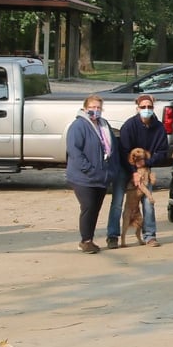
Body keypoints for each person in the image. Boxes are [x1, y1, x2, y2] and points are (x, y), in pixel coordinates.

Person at [120, 94, 173, 247]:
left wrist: (146, 163)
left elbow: (162, 152)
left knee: (148, 203)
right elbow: (124, 151)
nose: (146, 109)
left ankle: (150, 236)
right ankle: (114, 236)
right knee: (118, 203)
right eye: (143, 107)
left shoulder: (159, 127)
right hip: (126, 168)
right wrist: (133, 171)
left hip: (145, 168)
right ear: (137, 108)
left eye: (149, 107)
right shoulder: (129, 126)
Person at [65, 95, 114, 254]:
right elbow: (74, 151)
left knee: (95, 209)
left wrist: (111, 171)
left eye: (99, 107)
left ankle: (89, 239)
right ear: (85, 108)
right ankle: (85, 241)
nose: (95, 110)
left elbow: (112, 148)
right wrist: (88, 169)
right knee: (88, 206)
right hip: (83, 176)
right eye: (92, 107)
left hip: (101, 176)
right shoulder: (78, 126)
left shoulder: (104, 125)